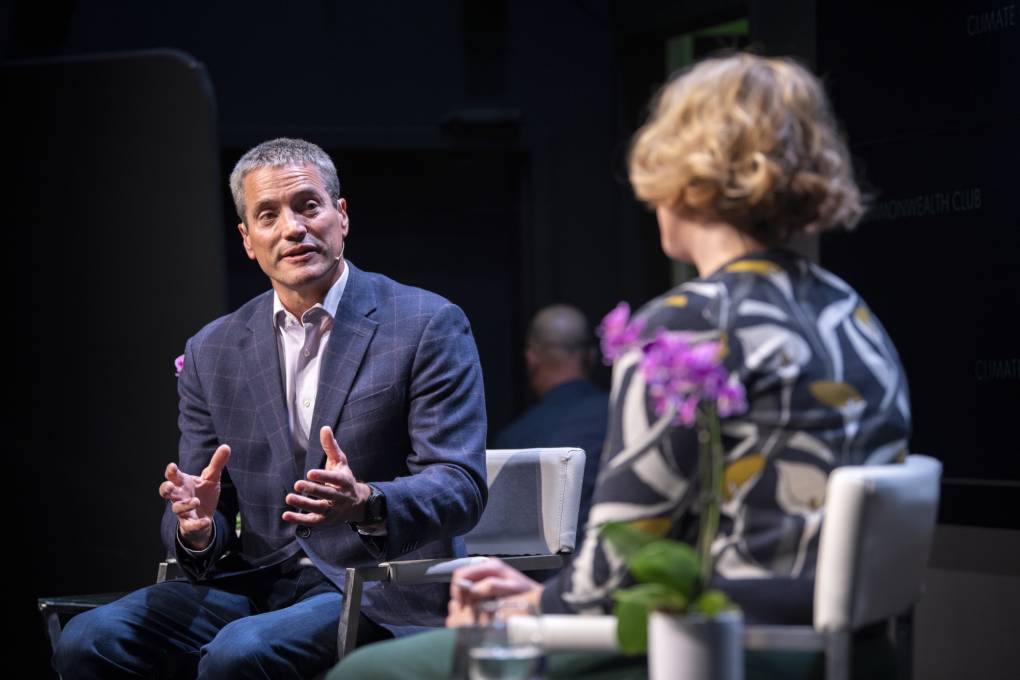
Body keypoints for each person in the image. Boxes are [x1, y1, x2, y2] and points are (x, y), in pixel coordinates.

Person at [329, 52, 910, 679]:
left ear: (682, 170)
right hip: (849, 653)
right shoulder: (852, 313)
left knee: (369, 673)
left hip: (724, 650)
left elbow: (619, 562)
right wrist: (541, 598)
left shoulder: (685, 327)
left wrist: (528, 608)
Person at [53, 138, 488, 679]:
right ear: (248, 240)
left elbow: (459, 483)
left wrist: (367, 501)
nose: (293, 228)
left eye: (309, 205)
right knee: (89, 640)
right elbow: (201, 499)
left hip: (374, 586)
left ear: (341, 216)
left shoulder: (426, 324)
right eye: (268, 215)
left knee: (242, 652)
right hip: (253, 582)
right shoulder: (211, 350)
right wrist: (197, 526)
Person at [494, 304, 608, 540]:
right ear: (592, 356)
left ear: (531, 360)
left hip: (543, 574)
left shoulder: (514, 440)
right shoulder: (621, 413)